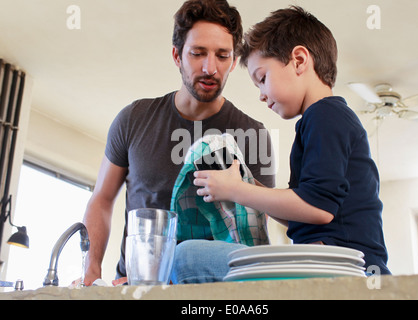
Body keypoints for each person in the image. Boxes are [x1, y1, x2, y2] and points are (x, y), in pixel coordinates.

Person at [79, 0, 275, 286]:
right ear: (177, 55)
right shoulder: (134, 118)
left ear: (234, 61)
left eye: (223, 56)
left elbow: (255, 227)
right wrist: (91, 272)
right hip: (135, 286)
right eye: (198, 53)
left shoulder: (254, 134)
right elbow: (102, 198)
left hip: (213, 292)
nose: (210, 68)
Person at [191, 5, 390, 278]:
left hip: (345, 268)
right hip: (334, 262)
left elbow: (319, 209)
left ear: (298, 60)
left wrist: (236, 191)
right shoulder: (320, 119)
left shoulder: (326, 115)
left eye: (262, 78)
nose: (261, 95)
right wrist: (250, 185)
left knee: (188, 257)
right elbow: (306, 210)